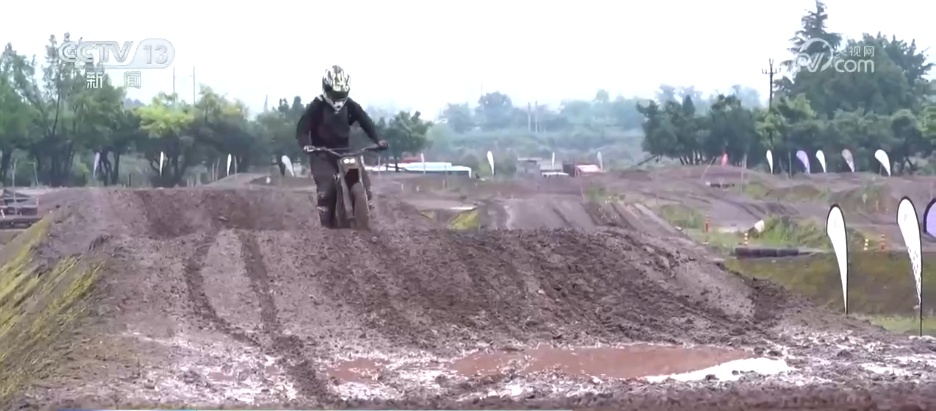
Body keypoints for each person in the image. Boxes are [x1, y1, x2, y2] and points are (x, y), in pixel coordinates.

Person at [295, 65, 388, 227]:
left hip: (345, 152)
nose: (339, 98)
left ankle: (367, 202)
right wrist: (307, 145)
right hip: (321, 153)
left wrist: (378, 140)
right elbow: (302, 130)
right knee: (326, 189)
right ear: (326, 88)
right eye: (336, 93)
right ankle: (326, 223)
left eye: (342, 94)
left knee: (360, 178)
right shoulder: (317, 106)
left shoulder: (350, 105)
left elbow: (366, 121)